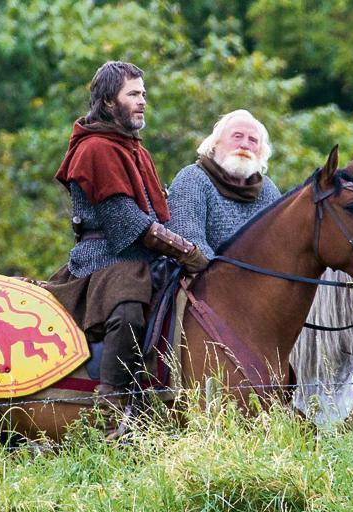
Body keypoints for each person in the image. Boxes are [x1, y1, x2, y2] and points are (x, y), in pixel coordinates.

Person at [48, 61, 208, 414]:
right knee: (129, 311)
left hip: (142, 257)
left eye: (144, 94)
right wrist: (187, 251)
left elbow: (155, 215)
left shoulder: (135, 149)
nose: (142, 101)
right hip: (106, 259)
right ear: (108, 101)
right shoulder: (95, 150)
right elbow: (128, 223)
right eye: (133, 94)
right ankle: (111, 405)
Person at [166, 109, 281, 259]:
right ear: (216, 143)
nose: (245, 145)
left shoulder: (268, 190)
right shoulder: (193, 178)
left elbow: (280, 246)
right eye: (237, 136)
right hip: (201, 279)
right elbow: (187, 240)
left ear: (261, 152)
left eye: (253, 140)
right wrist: (228, 276)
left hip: (260, 279)